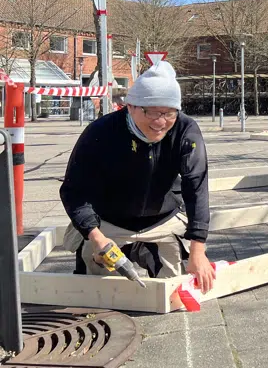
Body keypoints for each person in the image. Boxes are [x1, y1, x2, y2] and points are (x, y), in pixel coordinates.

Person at [60, 62, 216, 293]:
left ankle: (143, 250)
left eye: (169, 113)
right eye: (151, 112)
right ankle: (119, 249)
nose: (160, 122)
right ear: (130, 106)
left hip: (162, 218)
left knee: (174, 291)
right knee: (96, 290)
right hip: (108, 220)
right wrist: (95, 237)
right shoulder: (101, 132)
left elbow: (197, 187)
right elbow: (74, 191)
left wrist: (198, 249)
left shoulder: (185, 130)